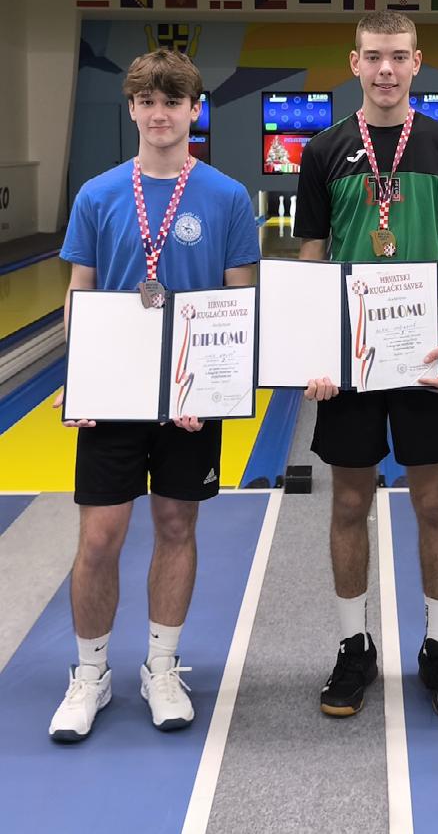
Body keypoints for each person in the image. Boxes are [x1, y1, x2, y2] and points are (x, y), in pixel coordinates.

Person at [49, 49, 259, 742]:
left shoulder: (227, 197)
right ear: (132, 108)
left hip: (191, 399)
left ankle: (161, 667)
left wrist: (217, 389)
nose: (160, 113)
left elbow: (238, 303)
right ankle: (90, 674)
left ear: (195, 110)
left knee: (175, 527)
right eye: (148, 101)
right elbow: (80, 293)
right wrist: (79, 380)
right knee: (100, 536)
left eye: (174, 101)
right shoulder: (98, 194)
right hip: (114, 395)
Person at [294, 11, 438, 720]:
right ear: (354, 63)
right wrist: (316, 347)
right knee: (349, 501)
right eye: (374, 56)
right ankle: (354, 646)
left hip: (425, 353)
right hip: (352, 363)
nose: (386, 69)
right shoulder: (324, 150)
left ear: (416, 62)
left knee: (433, 502)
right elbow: (311, 256)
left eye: (398, 56)